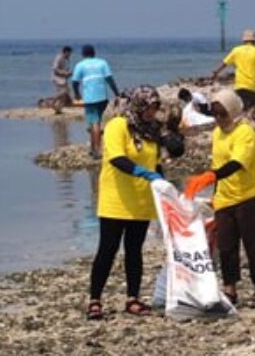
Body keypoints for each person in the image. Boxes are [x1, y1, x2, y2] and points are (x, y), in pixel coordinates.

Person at [184, 89, 255, 309]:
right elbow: (218, 164)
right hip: (226, 197)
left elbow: (236, 163)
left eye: (223, 115)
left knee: (254, 244)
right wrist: (213, 194)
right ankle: (230, 287)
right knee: (226, 245)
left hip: (251, 196)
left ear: (233, 112)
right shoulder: (217, 133)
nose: (220, 120)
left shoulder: (245, 133)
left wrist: (211, 176)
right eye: (216, 115)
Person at [86, 86, 163, 320]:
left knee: (134, 250)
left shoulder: (151, 131)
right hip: (115, 200)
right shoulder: (117, 126)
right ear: (138, 105)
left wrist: (161, 182)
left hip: (141, 201)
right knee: (107, 250)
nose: (152, 113)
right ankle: (95, 300)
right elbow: (116, 157)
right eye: (149, 108)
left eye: (155, 108)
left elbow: (156, 163)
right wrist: (143, 172)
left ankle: (133, 298)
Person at [72, 45, 119, 158]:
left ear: (83, 54)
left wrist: (77, 93)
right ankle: (93, 148)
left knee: (95, 123)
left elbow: (74, 82)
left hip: (90, 98)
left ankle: (97, 151)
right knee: (94, 122)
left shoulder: (80, 65)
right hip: (102, 97)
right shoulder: (102, 63)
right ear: (94, 53)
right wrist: (116, 93)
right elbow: (109, 79)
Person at [211, 29, 255, 114]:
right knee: (254, 108)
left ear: (243, 40)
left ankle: (243, 122)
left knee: (242, 108)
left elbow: (224, 63)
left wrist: (215, 72)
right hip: (253, 86)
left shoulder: (236, 50)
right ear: (254, 40)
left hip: (239, 85)